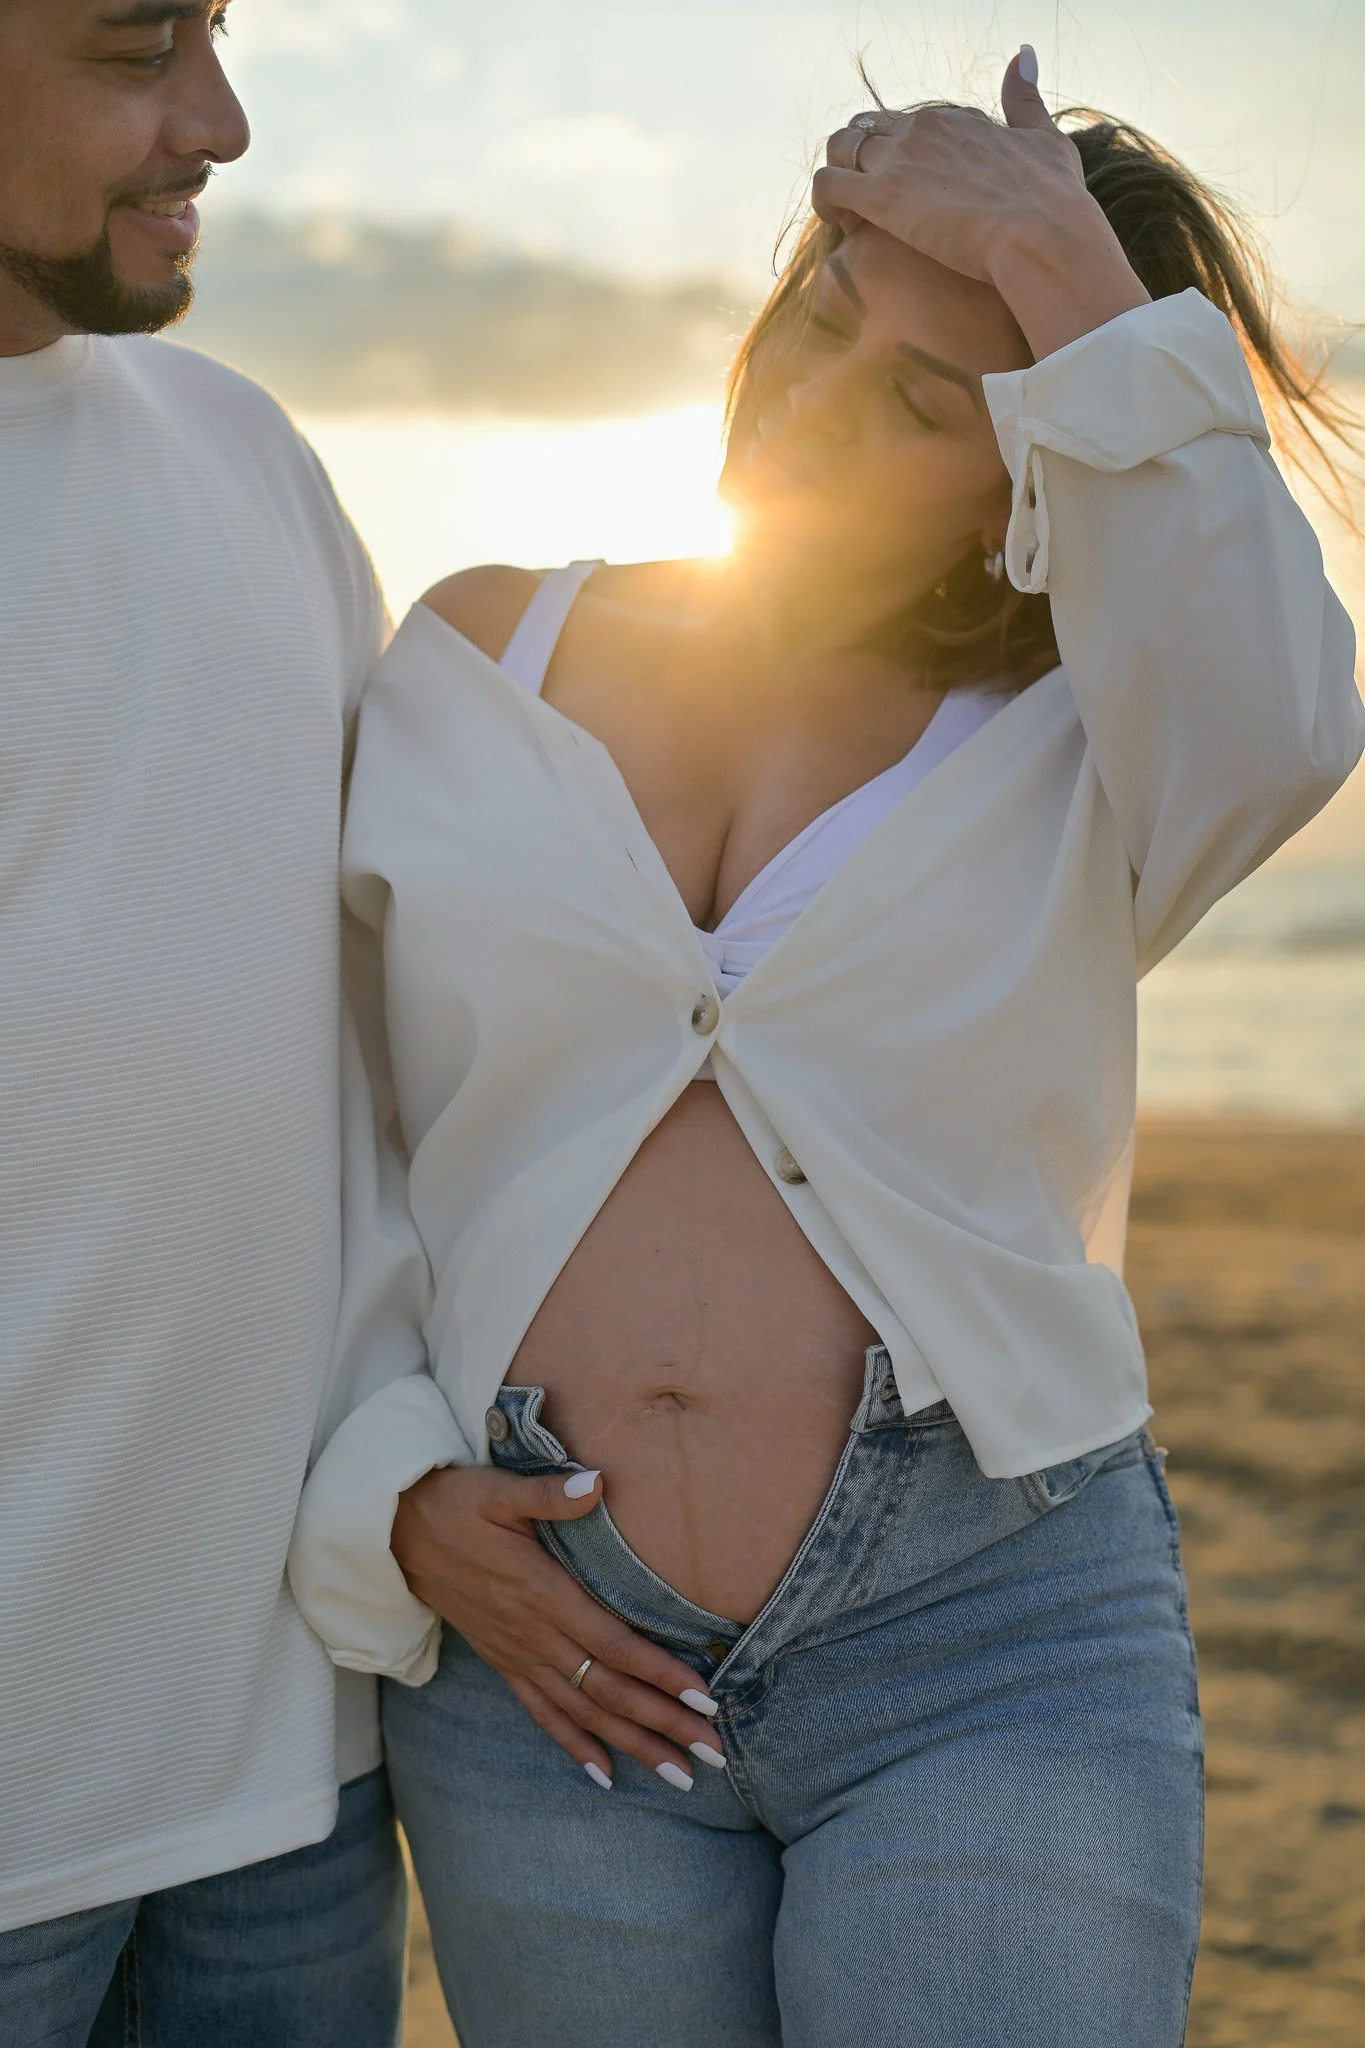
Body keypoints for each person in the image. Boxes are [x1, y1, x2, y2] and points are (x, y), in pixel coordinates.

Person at [289, 48, 1365, 2048]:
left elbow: (1289, 717)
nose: (797, 396)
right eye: (813, 309)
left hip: (986, 1633)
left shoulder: (1096, 738)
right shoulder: (466, 653)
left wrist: (1057, 255)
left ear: (1027, 462)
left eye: (915, 401)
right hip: (552, 1663)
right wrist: (397, 1490)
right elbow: (326, 1135)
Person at [0, 4, 427, 2041]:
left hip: (287, 1785)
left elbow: (413, 1036)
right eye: (133, 44)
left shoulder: (246, 454)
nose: (220, 122)